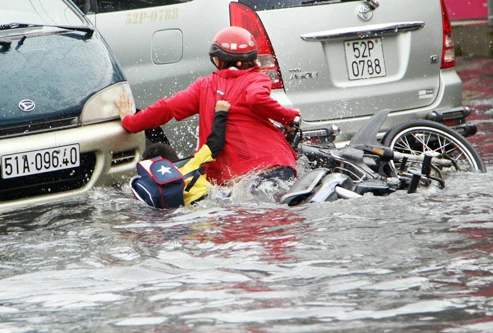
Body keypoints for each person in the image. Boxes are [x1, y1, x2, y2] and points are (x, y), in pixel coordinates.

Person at [115, 26, 300, 188]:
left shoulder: (204, 86)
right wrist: (289, 118)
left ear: (219, 60)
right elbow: (256, 98)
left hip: (234, 180)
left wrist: (130, 122)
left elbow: (167, 108)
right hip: (276, 164)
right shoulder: (256, 78)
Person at [131, 100, 230, 208]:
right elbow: (216, 142)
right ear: (176, 157)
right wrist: (221, 113)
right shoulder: (192, 164)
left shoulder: (158, 189)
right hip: (210, 202)